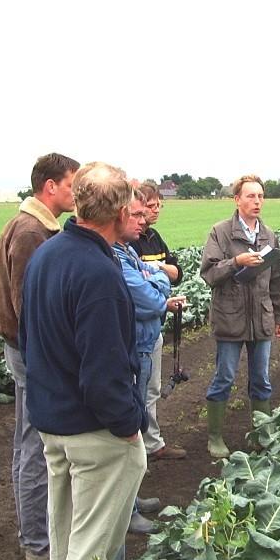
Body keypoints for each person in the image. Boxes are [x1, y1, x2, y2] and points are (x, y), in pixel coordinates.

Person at [19, 162, 147, 560]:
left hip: (53, 423)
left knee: (66, 537)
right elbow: (104, 373)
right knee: (93, 548)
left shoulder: (47, 255)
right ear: (117, 210)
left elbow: (29, 338)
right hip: (94, 431)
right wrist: (128, 425)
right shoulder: (99, 273)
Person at [0, 152, 79, 560]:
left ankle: (37, 535)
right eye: (71, 185)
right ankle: (37, 544)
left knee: (29, 442)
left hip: (27, 348)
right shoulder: (30, 232)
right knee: (34, 445)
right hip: (29, 351)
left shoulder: (36, 226)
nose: (76, 193)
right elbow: (29, 304)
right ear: (51, 188)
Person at [200, 174, 280, 458]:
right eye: (251, 196)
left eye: (261, 196)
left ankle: (259, 434)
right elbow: (210, 273)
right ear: (237, 199)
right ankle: (215, 437)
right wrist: (236, 261)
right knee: (224, 377)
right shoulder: (221, 232)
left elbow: (277, 280)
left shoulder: (269, 235)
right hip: (230, 316)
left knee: (261, 379)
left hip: (260, 318)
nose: (257, 201)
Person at [113, 186, 187, 533]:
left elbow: (167, 275)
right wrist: (157, 278)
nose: (145, 221)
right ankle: (125, 510)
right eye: (138, 214)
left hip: (145, 338)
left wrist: (152, 276)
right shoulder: (115, 254)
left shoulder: (128, 250)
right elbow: (146, 296)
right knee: (128, 425)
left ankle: (131, 497)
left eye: (148, 213)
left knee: (141, 413)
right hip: (134, 343)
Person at [131, 182, 188, 461]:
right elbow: (146, 291)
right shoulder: (128, 243)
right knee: (138, 391)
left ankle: (151, 443)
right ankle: (139, 448)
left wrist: (156, 272)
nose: (152, 213)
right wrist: (161, 276)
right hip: (137, 329)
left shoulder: (154, 237)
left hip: (155, 324)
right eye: (147, 208)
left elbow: (177, 272)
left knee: (151, 388)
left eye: (155, 207)